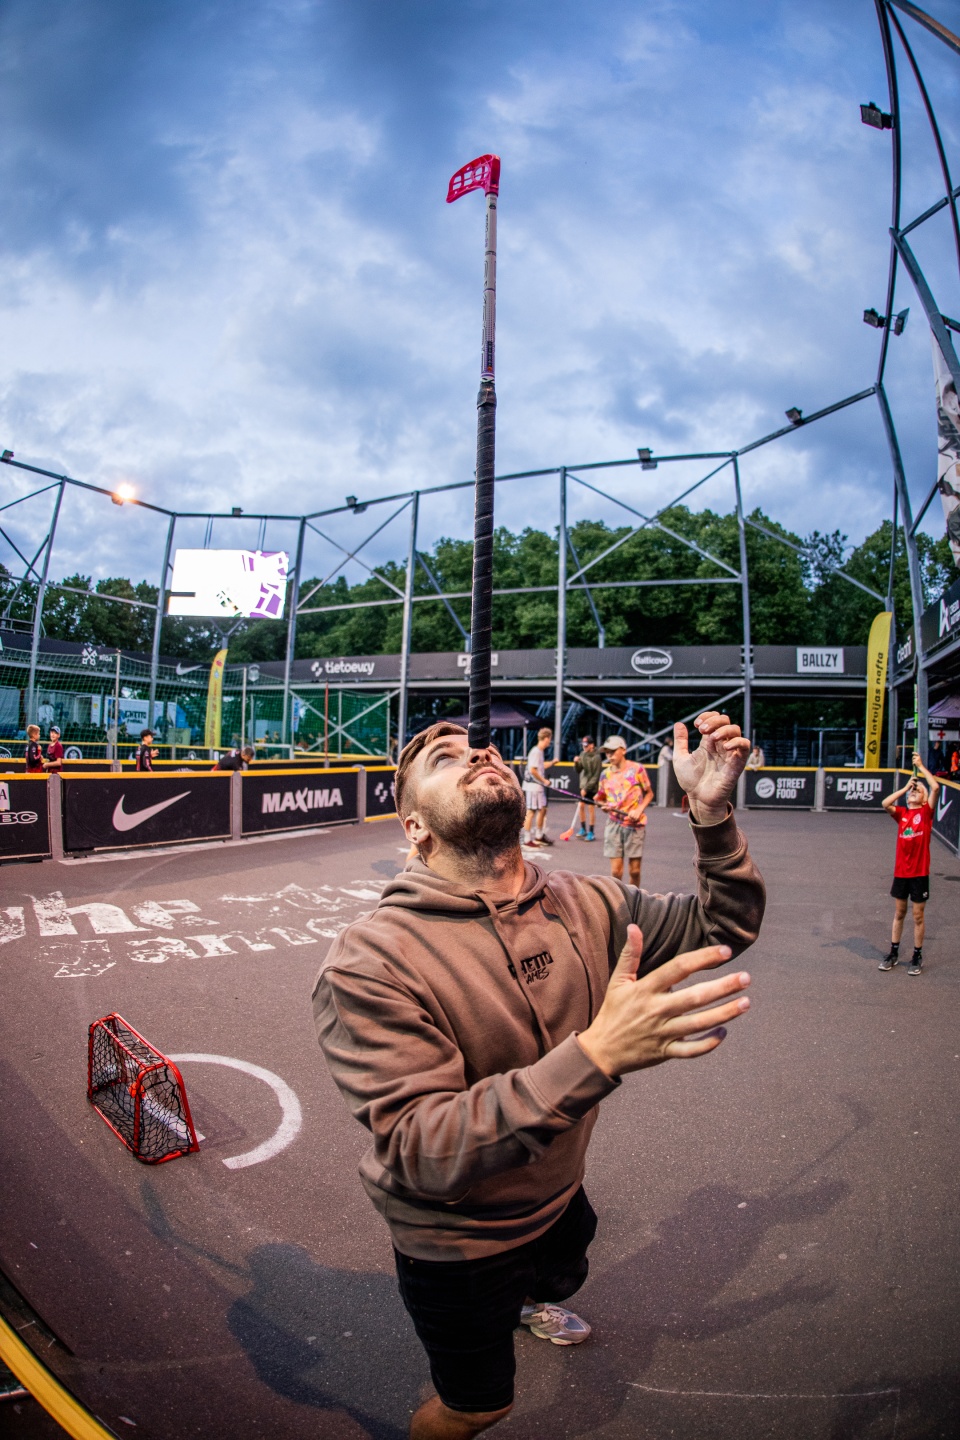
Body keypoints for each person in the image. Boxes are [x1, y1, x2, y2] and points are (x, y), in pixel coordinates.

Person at [312, 711, 764, 1440]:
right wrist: (597, 1055)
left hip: (558, 1191)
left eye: (483, 747)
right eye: (444, 758)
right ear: (414, 826)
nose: (478, 753)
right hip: (459, 1241)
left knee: (562, 1270)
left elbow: (723, 927)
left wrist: (711, 818)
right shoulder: (370, 962)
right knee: (478, 1406)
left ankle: (532, 1300)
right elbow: (423, 1151)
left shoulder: (590, 901)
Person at [879, 754, 940, 976]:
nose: (914, 791)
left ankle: (916, 955)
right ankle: (893, 953)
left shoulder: (926, 813)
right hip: (901, 873)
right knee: (899, 912)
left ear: (924, 799)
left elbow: (935, 787)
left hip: (919, 873)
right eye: (913, 791)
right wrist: (906, 787)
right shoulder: (902, 814)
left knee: (917, 916)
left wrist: (921, 767)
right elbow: (885, 803)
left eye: (918, 790)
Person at [594, 736, 654, 887]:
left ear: (623, 750)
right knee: (616, 871)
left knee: (634, 871)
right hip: (613, 824)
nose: (609, 755)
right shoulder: (605, 774)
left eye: (613, 751)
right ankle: (618, 898)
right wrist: (604, 806)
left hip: (634, 824)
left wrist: (639, 810)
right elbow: (599, 799)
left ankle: (634, 897)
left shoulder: (636, 769)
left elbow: (649, 793)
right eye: (607, 752)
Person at [520, 726, 554, 848]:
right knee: (531, 812)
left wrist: (552, 763)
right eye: (550, 739)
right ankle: (527, 839)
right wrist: (544, 781)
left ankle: (539, 835)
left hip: (537, 787)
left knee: (543, 809)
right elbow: (533, 770)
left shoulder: (539, 752)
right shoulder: (536, 751)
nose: (550, 741)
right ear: (546, 738)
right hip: (533, 787)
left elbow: (540, 766)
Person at [571, 735, 602, 840]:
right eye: (583, 745)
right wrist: (576, 763)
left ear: (592, 745)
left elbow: (596, 776)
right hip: (583, 785)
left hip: (592, 787)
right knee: (581, 806)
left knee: (591, 808)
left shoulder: (597, 757)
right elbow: (578, 770)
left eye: (586, 745)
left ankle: (591, 832)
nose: (584, 747)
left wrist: (586, 788)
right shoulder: (582, 754)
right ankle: (583, 829)